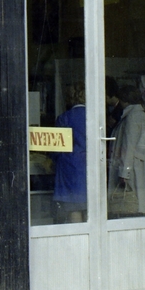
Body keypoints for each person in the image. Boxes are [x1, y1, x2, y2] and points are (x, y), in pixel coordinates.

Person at [111, 82, 145, 214]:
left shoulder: (132, 117)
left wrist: (124, 172)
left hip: (133, 166)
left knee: (133, 203)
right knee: (140, 202)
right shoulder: (140, 115)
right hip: (138, 164)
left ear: (124, 100)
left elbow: (128, 146)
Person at [52, 84, 88, 223]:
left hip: (70, 166)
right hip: (91, 164)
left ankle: (79, 242)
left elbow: (58, 146)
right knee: (90, 208)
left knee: (74, 208)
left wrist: (54, 160)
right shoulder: (95, 116)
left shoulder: (64, 117)